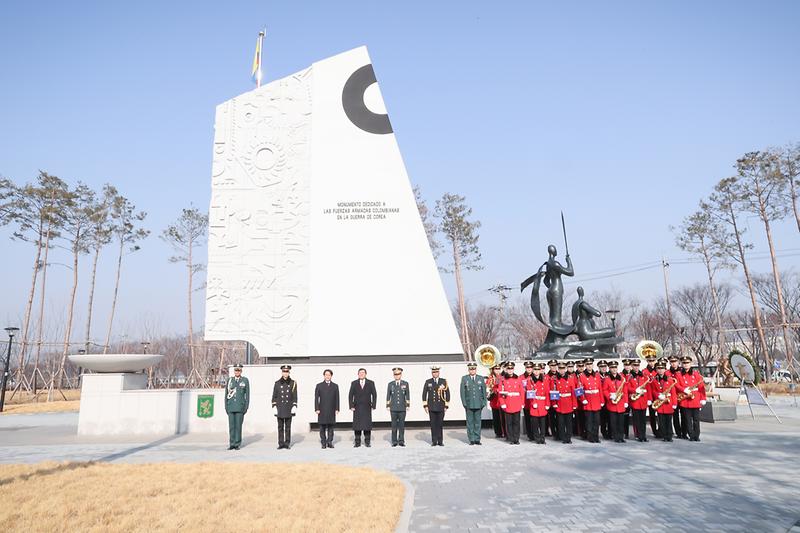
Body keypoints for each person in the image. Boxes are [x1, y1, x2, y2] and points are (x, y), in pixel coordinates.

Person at [675, 356, 707, 442]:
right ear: (682, 364)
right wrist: (683, 389)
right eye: (684, 363)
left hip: (695, 400)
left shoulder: (696, 374)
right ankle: (691, 435)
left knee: (696, 420)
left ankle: (697, 435)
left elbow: (701, 387)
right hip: (685, 400)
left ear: (691, 364)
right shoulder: (678, 374)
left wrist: (703, 398)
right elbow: (676, 385)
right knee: (687, 420)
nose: (686, 365)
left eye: (687, 363)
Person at [649, 361, 677, 442]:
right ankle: (664, 436)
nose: (660, 370)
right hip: (660, 403)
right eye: (658, 368)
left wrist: (674, 403)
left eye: (662, 368)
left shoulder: (670, 379)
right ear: (656, 370)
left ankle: (669, 436)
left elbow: (673, 392)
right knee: (661, 421)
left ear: (665, 369)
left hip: (668, 403)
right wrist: (658, 395)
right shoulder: (654, 380)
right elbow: (653, 390)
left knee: (668, 420)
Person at [348, 368, 377, 447]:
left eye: (363, 373)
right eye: (360, 373)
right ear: (358, 374)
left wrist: (373, 405)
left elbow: (374, 394)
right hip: (357, 407)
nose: (361, 374)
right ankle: (357, 442)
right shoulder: (354, 383)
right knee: (357, 426)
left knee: (367, 426)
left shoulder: (371, 383)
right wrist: (351, 406)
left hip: (367, 407)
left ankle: (367, 442)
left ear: (365, 374)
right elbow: (350, 395)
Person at [460, 362, 487, 445]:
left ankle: (477, 439)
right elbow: (462, 392)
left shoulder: (480, 378)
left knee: (478, 422)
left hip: (478, 404)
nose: (472, 370)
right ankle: (471, 439)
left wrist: (484, 402)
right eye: (471, 369)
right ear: (469, 370)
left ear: (476, 369)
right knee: (470, 422)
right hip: (469, 404)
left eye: (474, 369)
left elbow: (483, 391)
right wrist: (464, 403)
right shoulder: (465, 378)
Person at [422, 366, 450, 446]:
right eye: (434, 372)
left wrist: (446, 406)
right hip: (431, 406)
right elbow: (424, 394)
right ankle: (434, 441)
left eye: (436, 372)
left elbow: (447, 393)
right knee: (433, 424)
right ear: (432, 373)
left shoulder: (443, 381)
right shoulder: (428, 382)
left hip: (441, 406)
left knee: (440, 424)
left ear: (439, 372)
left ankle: (440, 441)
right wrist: (425, 406)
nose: (435, 373)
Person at [272, 365, 297, 449]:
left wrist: (294, 406)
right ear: (282, 372)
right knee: (280, 427)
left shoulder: (293, 383)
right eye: (284, 371)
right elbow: (274, 396)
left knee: (288, 427)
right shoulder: (277, 383)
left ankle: (287, 443)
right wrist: (274, 406)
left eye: (287, 371)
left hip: (288, 408)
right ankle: (280, 443)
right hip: (280, 408)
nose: (285, 373)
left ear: (289, 372)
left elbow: (295, 396)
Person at [224, 363, 249, 450]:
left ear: (241, 371)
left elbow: (247, 395)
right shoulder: (230, 380)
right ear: (234, 371)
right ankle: (232, 443)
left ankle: (237, 443)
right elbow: (226, 395)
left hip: (240, 407)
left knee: (238, 426)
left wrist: (246, 407)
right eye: (236, 370)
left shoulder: (245, 380)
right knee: (231, 426)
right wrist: (226, 407)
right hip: (231, 407)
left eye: (238, 370)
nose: (237, 372)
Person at [578, 357, 603, 443]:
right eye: (588, 365)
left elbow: (600, 388)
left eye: (591, 364)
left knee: (596, 421)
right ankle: (590, 437)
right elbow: (580, 390)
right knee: (589, 421)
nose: (589, 366)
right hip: (588, 401)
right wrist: (583, 399)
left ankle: (596, 437)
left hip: (596, 400)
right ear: (585, 365)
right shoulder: (582, 376)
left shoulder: (597, 375)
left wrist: (602, 400)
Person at [500, 361, 525, 445]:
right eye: (508, 369)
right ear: (506, 369)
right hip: (508, 403)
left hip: (516, 403)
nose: (510, 370)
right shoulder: (503, 380)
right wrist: (502, 403)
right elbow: (501, 392)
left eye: (511, 369)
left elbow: (522, 391)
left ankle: (516, 438)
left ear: (513, 369)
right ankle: (511, 438)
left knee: (516, 422)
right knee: (509, 423)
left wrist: (522, 402)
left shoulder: (518, 379)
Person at [627, 359, 652, 442]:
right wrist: (635, 390)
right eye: (634, 366)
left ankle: (643, 435)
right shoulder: (629, 377)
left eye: (637, 366)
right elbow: (627, 388)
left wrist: (649, 399)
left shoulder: (644, 376)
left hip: (643, 400)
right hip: (635, 401)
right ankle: (637, 435)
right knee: (636, 419)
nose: (636, 367)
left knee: (643, 420)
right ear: (632, 366)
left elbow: (648, 388)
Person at [603, 361, 628, 443]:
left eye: (615, 368)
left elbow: (625, 391)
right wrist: (610, 395)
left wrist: (625, 401)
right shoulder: (607, 379)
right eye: (612, 368)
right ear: (609, 369)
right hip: (612, 404)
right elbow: (604, 390)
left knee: (621, 422)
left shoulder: (622, 378)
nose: (614, 369)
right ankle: (616, 436)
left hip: (620, 403)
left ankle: (621, 436)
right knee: (613, 422)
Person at [314, 369, 339, 449]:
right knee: (322, 427)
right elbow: (316, 398)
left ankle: (329, 442)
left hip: (331, 410)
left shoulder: (335, 386)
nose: (327, 376)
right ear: (324, 376)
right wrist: (317, 408)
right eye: (326, 375)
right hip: (322, 409)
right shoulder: (319, 385)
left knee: (331, 427)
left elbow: (337, 398)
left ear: (331, 376)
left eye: (329, 375)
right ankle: (323, 442)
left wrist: (337, 408)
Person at [526, 363, 550, 444]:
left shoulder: (545, 380)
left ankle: (542, 438)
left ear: (540, 371)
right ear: (533, 371)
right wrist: (533, 402)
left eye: (538, 370)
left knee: (543, 424)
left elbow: (547, 393)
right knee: (535, 423)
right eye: (535, 370)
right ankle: (537, 438)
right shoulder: (530, 380)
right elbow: (530, 393)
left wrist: (547, 404)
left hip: (543, 403)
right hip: (535, 404)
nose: (536, 372)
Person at [552, 362, 576, 443]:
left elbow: (573, 392)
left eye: (563, 368)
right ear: (558, 370)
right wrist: (554, 403)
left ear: (565, 369)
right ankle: (563, 437)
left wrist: (574, 404)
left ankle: (568, 437)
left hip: (568, 403)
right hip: (559, 403)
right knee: (560, 423)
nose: (562, 370)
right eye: (560, 369)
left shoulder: (570, 378)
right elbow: (553, 392)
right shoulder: (554, 379)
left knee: (569, 423)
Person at [386, 367, 410, 447]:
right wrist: (388, 405)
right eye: (395, 374)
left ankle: (401, 440)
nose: (397, 376)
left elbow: (407, 395)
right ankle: (394, 441)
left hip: (402, 408)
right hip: (393, 408)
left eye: (398, 374)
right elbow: (388, 395)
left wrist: (407, 405)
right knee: (394, 425)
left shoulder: (405, 383)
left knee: (402, 425)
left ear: (401, 374)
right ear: (393, 375)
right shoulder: (390, 384)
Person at [667, 356, 685, 438]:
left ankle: (684, 432)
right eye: (672, 362)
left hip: (683, 396)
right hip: (673, 397)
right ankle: (678, 433)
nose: (673, 363)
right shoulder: (667, 373)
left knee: (684, 415)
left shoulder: (682, 371)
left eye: (675, 361)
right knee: (675, 416)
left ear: (678, 362)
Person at [487, 364, 506, 438]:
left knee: (503, 418)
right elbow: (488, 388)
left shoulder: (503, 377)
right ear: (493, 370)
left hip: (502, 401)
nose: (497, 370)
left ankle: (504, 432)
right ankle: (498, 433)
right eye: (496, 369)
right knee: (496, 418)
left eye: (498, 368)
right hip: (494, 401)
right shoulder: (490, 378)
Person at [545, 359, 559, 439]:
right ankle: (554, 433)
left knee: (559, 418)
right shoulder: (546, 377)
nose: (554, 367)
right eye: (552, 366)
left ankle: (560, 432)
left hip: (559, 400)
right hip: (550, 400)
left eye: (555, 365)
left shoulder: (560, 375)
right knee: (552, 418)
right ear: (549, 366)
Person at [521, 361, 535, 441]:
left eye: (530, 367)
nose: (529, 369)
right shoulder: (521, 377)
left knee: (535, 419)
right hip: (526, 402)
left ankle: (536, 433)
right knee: (528, 419)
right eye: (527, 367)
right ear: (525, 368)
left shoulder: (537, 376)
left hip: (535, 401)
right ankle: (530, 435)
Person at [597, 360, 611, 439]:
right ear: (599, 367)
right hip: (601, 400)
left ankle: (610, 432)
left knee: (610, 417)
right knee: (602, 418)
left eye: (605, 367)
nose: (604, 368)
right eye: (602, 367)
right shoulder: (597, 375)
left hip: (609, 399)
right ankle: (604, 432)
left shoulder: (610, 375)